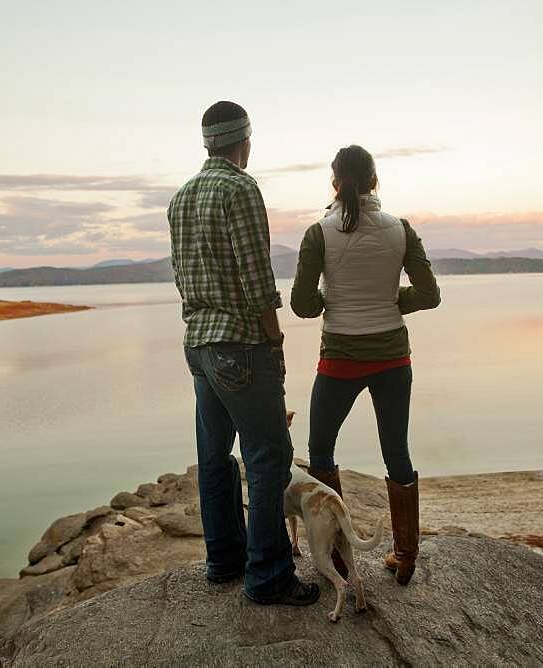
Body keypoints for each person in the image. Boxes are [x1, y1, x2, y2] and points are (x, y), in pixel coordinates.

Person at [168, 101, 319, 606]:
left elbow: (180, 275)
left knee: (213, 458)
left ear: (207, 141)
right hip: (240, 344)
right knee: (268, 456)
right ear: (245, 141)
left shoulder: (181, 197)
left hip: (199, 344)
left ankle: (223, 561)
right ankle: (269, 575)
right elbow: (257, 277)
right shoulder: (241, 188)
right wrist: (274, 338)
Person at [290, 145, 441, 585]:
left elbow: (302, 305)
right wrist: (393, 301)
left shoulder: (319, 233)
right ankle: (405, 555)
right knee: (397, 452)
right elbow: (429, 295)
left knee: (321, 451)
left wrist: (331, 300)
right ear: (376, 181)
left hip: (340, 358)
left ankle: (337, 556)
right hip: (393, 357)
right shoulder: (402, 230)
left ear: (334, 183)